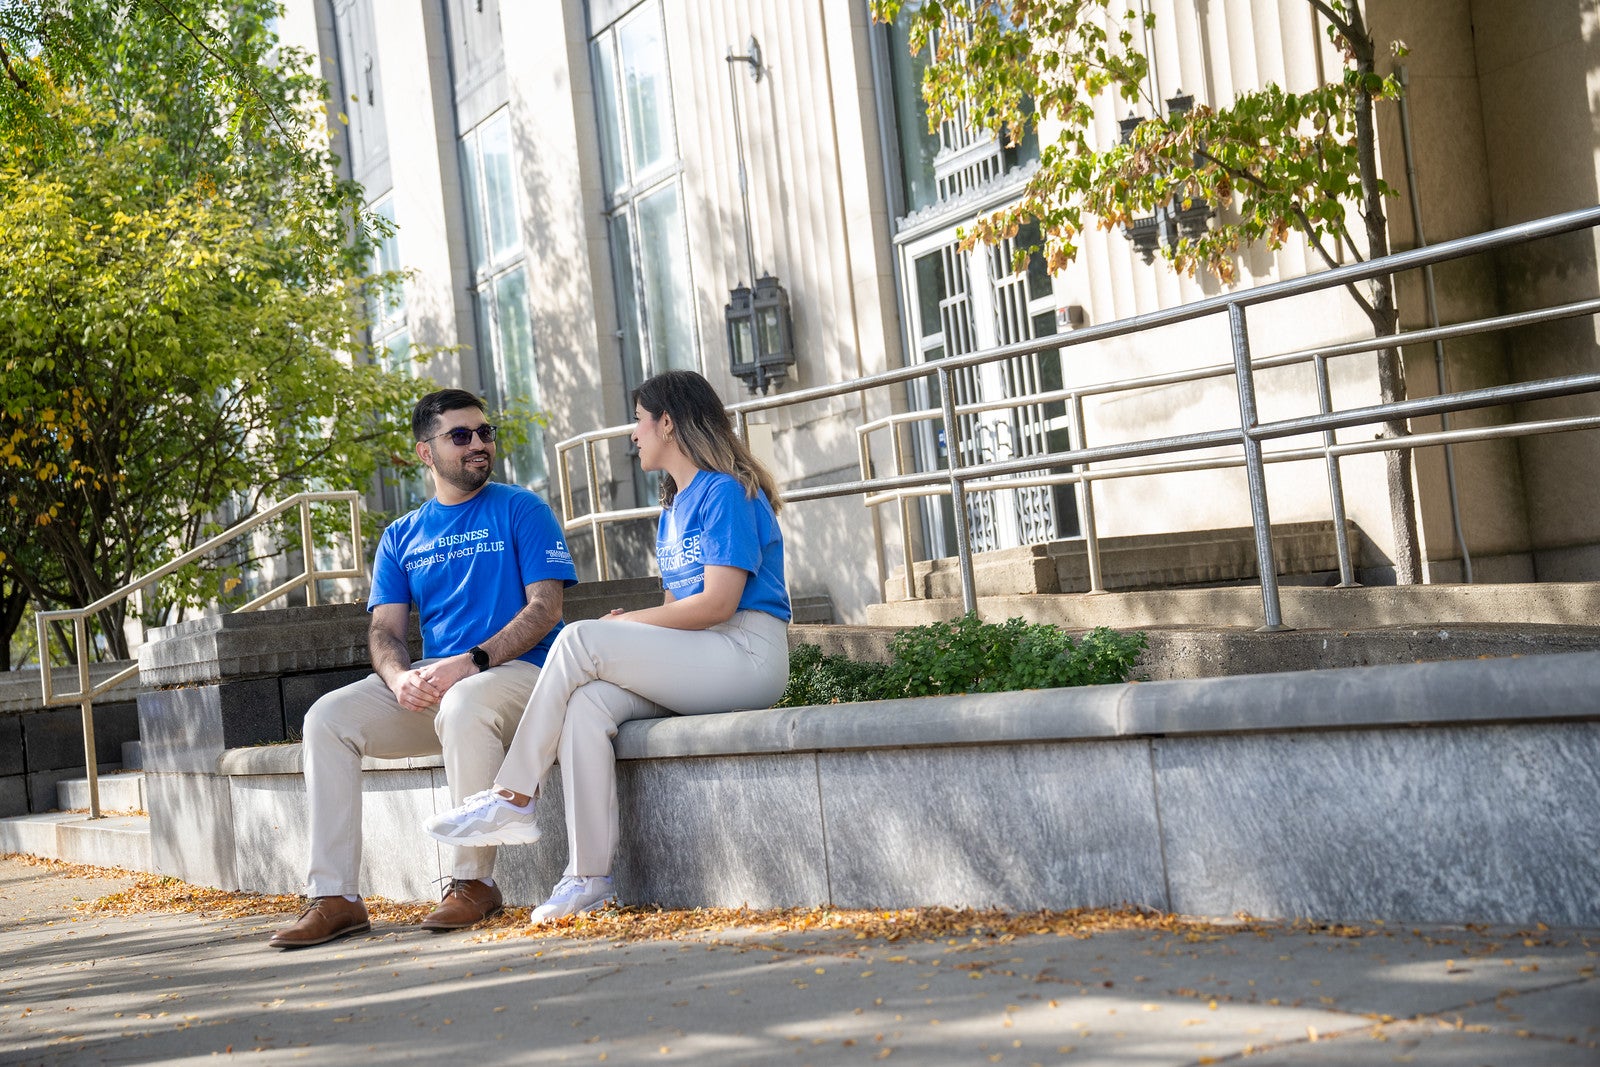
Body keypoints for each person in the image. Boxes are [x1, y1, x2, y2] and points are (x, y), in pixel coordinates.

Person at [423, 369, 790, 923]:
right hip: (701, 657)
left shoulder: (728, 491)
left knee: (578, 637)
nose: (633, 434)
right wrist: (632, 627)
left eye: (639, 421)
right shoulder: (673, 506)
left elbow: (717, 604)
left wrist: (624, 624)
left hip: (748, 654)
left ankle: (513, 795)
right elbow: (677, 612)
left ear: (668, 422)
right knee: (587, 705)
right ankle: (587, 876)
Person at [268, 388, 577, 949]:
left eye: (484, 433)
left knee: (465, 701)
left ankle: (473, 882)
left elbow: (546, 608)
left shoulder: (521, 508)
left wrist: (472, 661)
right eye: (461, 436)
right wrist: (399, 678)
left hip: (525, 675)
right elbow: (385, 632)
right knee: (326, 719)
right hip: (445, 680)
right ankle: (335, 896)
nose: (479, 444)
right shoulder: (400, 536)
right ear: (425, 453)